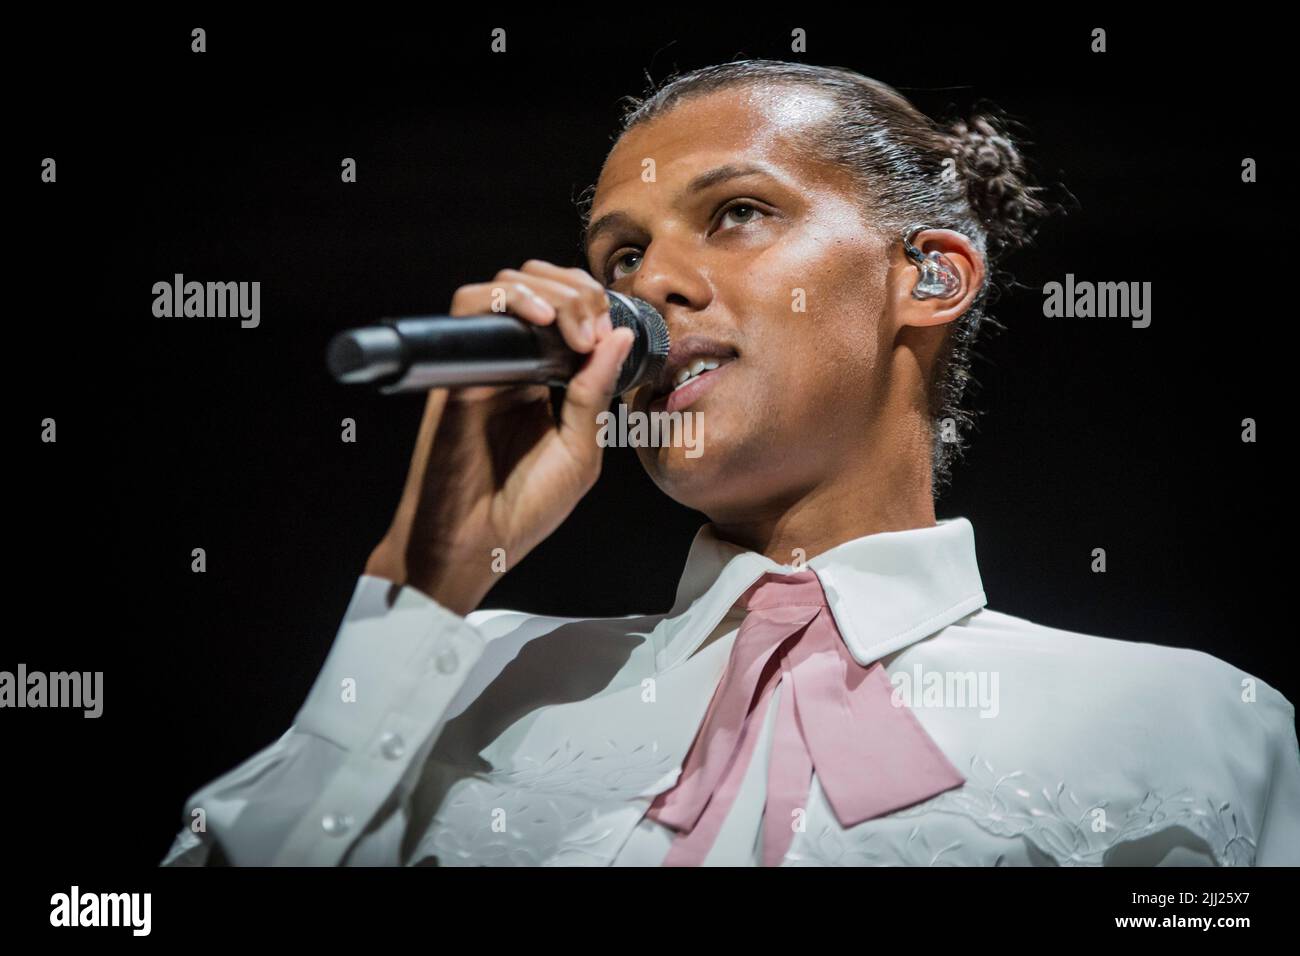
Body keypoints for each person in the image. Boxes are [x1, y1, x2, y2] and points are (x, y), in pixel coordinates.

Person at [161, 60, 1300, 867]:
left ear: (933, 276)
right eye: (620, 252)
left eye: (739, 212)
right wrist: (424, 583)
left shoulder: (1187, 719)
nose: (646, 283)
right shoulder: (467, 674)